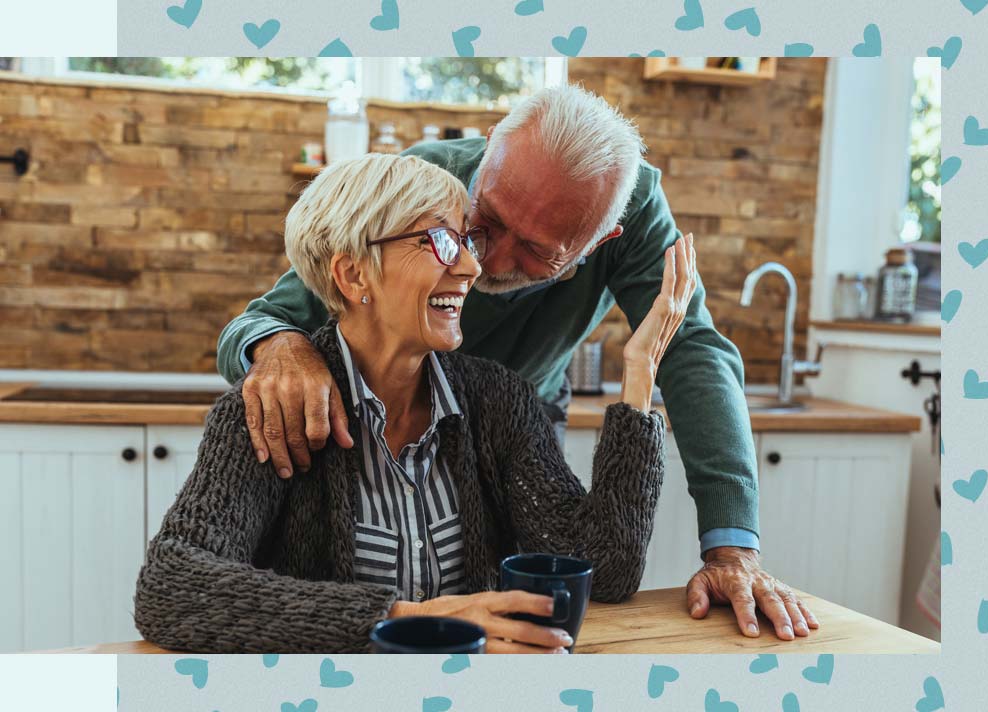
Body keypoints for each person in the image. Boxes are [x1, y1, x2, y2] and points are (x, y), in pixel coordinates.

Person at [217, 84, 818, 641]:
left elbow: (690, 350)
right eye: (483, 224)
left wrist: (730, 547)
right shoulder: (421, 187)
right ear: (487, 155)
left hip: (520, 415)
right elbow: (263, 319)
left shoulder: (630, 217)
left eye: (536, 251)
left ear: (601, 241)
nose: (486, 263)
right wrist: (281, 347)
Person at [134, 153, 691, 653]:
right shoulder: (269, 412)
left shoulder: (498, 401)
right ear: (353, 274)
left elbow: (605, 568)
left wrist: (640, 376)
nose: (473, 268)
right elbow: (171, 587)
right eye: (442, 243)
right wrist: (411, 620)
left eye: (465, 242)